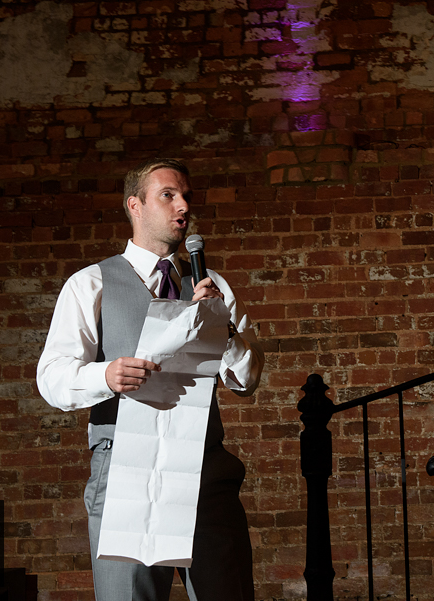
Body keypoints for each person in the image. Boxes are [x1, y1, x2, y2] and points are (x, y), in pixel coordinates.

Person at [36, 158, 264, 601]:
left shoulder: (211, 283)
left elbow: (246, 379)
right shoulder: (90, 284)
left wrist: (221, 323)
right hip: (124, 469)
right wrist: (106, 374)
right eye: (168, 196)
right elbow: (52, 378)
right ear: (135, 206)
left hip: (204, 470)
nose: (183, 207)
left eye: (187, 197)